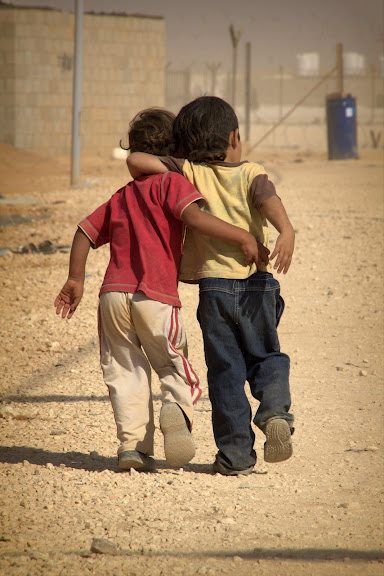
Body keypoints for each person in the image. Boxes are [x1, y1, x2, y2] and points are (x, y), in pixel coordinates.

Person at [54, 107, 264, 473]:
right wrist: (242, 236)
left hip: (112, 296)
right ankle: (176, 411)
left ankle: (132, 447)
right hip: (155, 296)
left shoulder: (121, 196)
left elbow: (84, 232)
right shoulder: (172, 183)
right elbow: (196, 218)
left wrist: (76, 278)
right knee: (172, 364)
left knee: (124, 371)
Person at [127, 96, 295, 476]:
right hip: (255, 283)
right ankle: (273, 412)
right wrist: (286, 230)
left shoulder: (189, 171)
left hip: (214, 290)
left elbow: (136, 161)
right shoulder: (252, 171)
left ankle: (235, 457)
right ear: (235, 136)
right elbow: (268, 198)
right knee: (266, 354)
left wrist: (181, 159)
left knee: (226, 372)